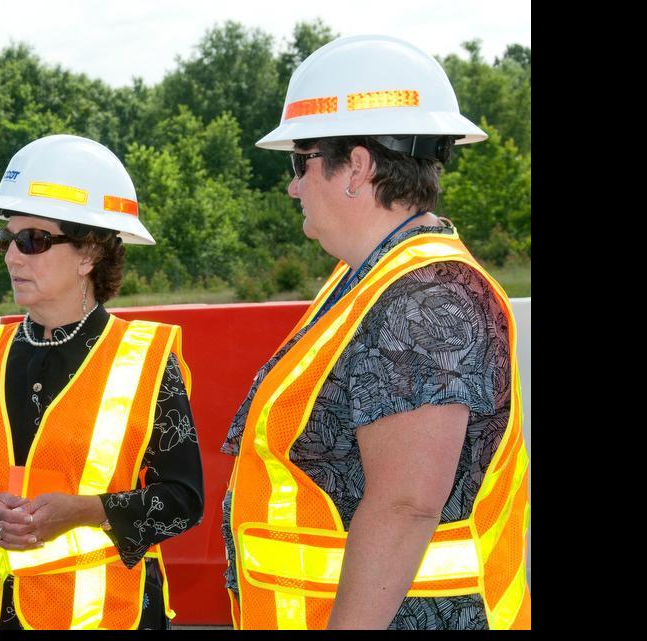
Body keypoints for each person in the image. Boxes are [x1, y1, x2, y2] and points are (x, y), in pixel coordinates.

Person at [221, 35, 530, 630]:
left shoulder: (425, 297)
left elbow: (405, 504)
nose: (292, 186)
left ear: (355, 168)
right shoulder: (369, 280)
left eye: (300, 161)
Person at [0, 134, 205, 629]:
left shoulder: (142, 359)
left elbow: (183, 501)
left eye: (32, 240)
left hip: (107, 617)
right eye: (6, 239)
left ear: (89, 253)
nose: (13, 257)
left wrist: (83, 511)